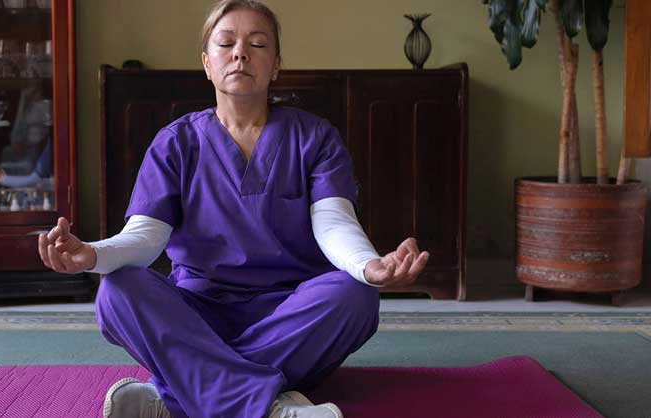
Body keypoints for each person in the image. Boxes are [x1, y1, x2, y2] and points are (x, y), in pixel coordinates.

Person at [39, 1, 429, 417]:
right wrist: (92, 255)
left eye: (257, 44)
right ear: (207, 64)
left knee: (356, 294)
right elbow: (145, 238)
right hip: (198, 313)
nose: (240, 53)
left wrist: (369, 266)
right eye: (226, 43)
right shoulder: (176, 142)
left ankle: (176, 396)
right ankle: (268, 406)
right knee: (116, 290)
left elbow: (334, 223)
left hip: (289, 315)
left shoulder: (314, 137)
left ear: (276, 65)